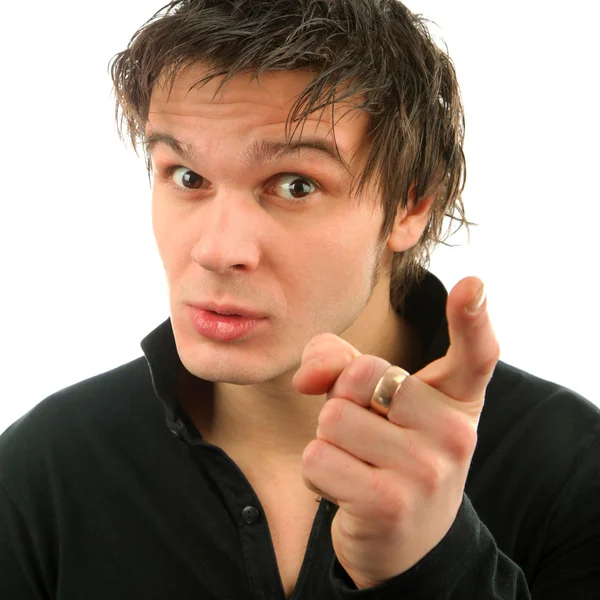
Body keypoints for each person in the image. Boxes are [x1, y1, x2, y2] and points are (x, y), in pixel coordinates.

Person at [1, 0, 598, 598]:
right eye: (186, 176)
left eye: (295, 185)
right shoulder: (42, 471)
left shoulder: (572, 469)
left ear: (411, 204)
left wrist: (434, 565)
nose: (216, 250)